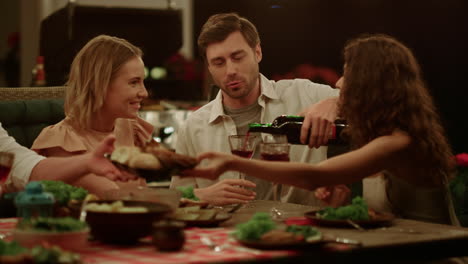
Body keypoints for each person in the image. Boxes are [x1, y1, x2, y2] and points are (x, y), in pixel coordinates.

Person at [183, 34, 459, 225]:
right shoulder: (378, 137)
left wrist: (229, 161)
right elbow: (385, 214)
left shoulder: (398, 142)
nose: (338, 83)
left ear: (369, 85)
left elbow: (314, 176)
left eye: (348, 75)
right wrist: (341, 201)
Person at [171, 12, 342, 206]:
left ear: (257, 52)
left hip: (299, 228)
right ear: (209, 67)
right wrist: (202, 196)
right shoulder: (193, 127)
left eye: (237, 57)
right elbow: (176, 197)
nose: (230, 71)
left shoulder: (302, 94)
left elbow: (369, 100)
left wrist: (335, 103)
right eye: (219, 63)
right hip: (226, 231)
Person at [31, 35, 153, 197]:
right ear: (100, 84)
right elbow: (114, 197)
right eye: (134, 82)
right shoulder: (62, 140)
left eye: (143, 82)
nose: (144, 93)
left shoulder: (132, 128)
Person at [1, 122, 136, 195]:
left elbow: (24, 166)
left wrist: (88, 161)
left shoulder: (129, 127)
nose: (144, 93)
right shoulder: (61, 135)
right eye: (134, 82)